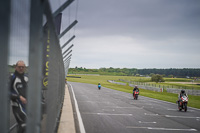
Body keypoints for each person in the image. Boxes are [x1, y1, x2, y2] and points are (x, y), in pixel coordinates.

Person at [10, 60, 28, 133]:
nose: (21, 68)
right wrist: (19, 97)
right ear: (15, 67)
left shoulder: (27, 78)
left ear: (25, 68)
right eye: (19, 67)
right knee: (25, 124)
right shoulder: (11, 78)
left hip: (28, 106)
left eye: (22, 67)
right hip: (17, 106)